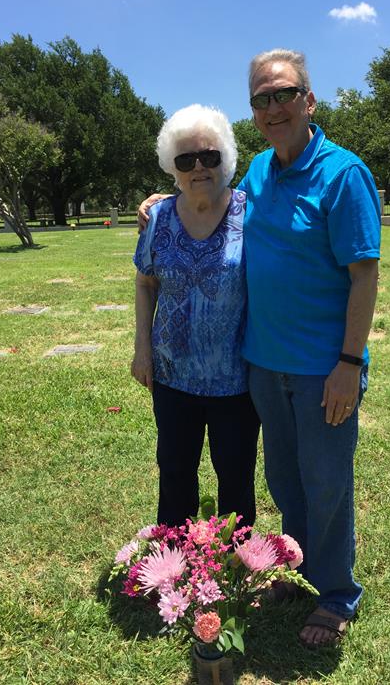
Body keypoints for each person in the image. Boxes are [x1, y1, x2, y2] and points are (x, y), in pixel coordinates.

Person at [139, 50, 381, 647]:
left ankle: (336, 596)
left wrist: (349, 364)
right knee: (285, 480)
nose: (273, 107)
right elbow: (206, 192)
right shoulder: (261, 176)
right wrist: (156, 202)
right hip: (262, 366)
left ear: (309, 100)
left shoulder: (343, 174)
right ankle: (295, 570)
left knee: (326, 481)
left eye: (284, 94)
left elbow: (364, 274)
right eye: (261, 98)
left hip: (324, 366)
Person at [131, 104, 260, 529]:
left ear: (227, 159)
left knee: (236, 477)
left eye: (210, 156)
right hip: (171, 374)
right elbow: (146, 282)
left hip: (235, 376)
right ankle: (173, 564)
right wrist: (142, 349)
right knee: (174, 471)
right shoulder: (158, 218)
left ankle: (240, 564)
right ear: (173, 166)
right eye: (186, 159)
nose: (199, 167)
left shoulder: (252, 212)